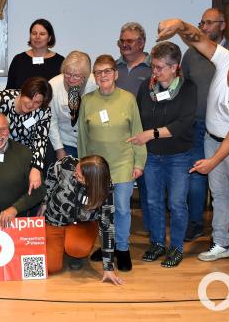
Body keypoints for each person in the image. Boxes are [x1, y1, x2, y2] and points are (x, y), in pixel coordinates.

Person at [157, 18, 229, 272]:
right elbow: (198, 39)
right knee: (219, 195)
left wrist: (212, 162)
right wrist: (180, 25)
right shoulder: (227, 58)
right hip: (210, 138)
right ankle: (221, 243)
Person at [180, 8, 229, 242]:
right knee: (197, 177)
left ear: (223, 24)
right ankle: (196, 223)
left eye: (209, 23)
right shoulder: (190, 55)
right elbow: (184, 88)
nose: (205, 27)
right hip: (198, 126)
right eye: (202, 23)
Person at [129, 41, 197, 268]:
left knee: (177, 203)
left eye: (159, 67)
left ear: (174, 67)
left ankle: (176, 247)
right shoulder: (145, 89)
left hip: (178, 156)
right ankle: (157, 243)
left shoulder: (188, 88)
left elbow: (184, 123)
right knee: (153, 201)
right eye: (153, 67)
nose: (154, 72)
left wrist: (152, 134)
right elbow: (138, 117)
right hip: (152, 156)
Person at [78, 55, 146, 271]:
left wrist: (139, 162)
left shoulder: (128, 99)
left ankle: (122, 249)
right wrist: (81, 164)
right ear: (94, 77)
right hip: (97, 168)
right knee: (100, 209)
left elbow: (137, 131)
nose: (103, 76)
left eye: (107, 71)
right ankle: (107, 246)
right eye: (98, 72)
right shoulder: (88, 101)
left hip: (123, 162)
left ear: (116, 74)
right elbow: (82, 136)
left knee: (123, 210)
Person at [42, 155, 122, 285]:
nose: (74, 175)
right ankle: (61, 245)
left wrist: (108, 268)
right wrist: (45, 201)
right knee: (51, 267)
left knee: (77, 249)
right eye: (75, 170)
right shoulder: (67, 164)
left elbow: (107, 227)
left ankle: (73, 252)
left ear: (91, 181)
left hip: (82, 223)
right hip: (55, 219)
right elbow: (51, 173)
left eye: (78, 175)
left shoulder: (105, 189)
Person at [0, 76, 53, 194]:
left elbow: (40, 140)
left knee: (32, 185)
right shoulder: (1, 98)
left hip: (23, 154)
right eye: (29, 98)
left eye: (37, 102)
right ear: (23, 92)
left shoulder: (43, 112)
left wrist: (36, 167)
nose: (30, 105)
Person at [114, 22, 153, 237]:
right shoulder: (114, 67)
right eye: (122, 41)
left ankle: (150, 230)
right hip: (118, 139)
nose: (124, 45)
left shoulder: (152, 67)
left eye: (129, 41)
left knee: (147, 187)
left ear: (142, 43)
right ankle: (117, 232)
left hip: (146, 135)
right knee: (119, 189)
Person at [48, 51, 97, 160]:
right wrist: (59, 149)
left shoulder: (95, 84)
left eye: (76, 76)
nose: (71, 79)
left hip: (90, 141)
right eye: (67, 73)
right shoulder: (53, 86)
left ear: (86, 75)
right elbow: (52, 120)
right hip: (65, 141)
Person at [5, 19, 65, 90]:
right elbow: (9, 89)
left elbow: (66, 90)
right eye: (34, 33)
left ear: (49, 38)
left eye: (42, 34)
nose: (37, 37)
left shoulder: (60, 61)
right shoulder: (18, 60)